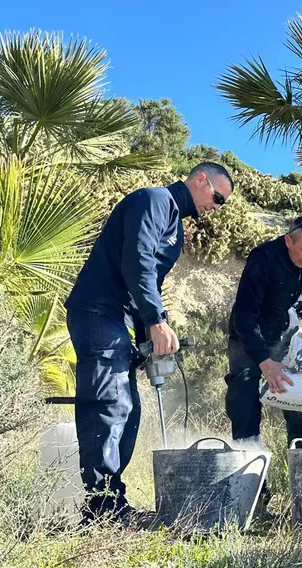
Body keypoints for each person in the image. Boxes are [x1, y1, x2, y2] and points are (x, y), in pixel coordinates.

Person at [65, 162, 233, 521]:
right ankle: (100, 506)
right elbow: (136, 262)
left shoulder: (176, 227)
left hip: (121, 318)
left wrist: (150, 338)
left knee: (130, 409)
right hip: (98, 310)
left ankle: (111, 500)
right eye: (217, 197)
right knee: (110, 403)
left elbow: (150, 283)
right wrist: (156, 322)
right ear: (200, 179)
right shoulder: (154, 201)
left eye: (223, 204)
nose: (216, 207)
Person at [225, 216, 302, 449]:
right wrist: (264, 361)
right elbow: (245, 315)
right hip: (250, 341)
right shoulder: (263, 258)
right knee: (244, 401)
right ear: (288, 241)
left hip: (292, 342)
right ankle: (253, 479)